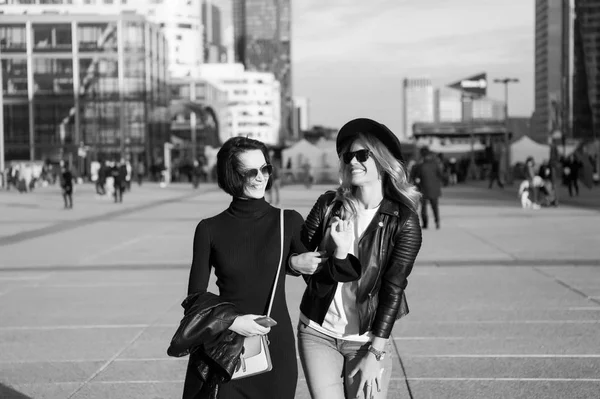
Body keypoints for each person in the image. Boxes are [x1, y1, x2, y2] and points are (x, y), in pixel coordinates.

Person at [183, 136, 353, 399]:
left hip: (276, 351)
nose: (261, 177)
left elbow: (322, 284)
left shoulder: (288, 221)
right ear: (231, 175)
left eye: (265, 169)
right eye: (251, 171)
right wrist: (235, 322)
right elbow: (194, 297)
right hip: (226, 350)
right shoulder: (208, 229)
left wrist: (337, 252)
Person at [290, 118, 423, 399]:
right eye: (348, 156)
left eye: (362, 155)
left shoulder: (403, 221)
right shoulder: (329, 205)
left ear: (383, 161)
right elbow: (298, 254)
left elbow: (394, 287)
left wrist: (376, 351)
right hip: (317, 332)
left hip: (367, 340)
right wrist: (296, 263)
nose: (353, 161)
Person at [412, 146, 444, 229]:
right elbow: (441, 175)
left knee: (424, 208)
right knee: (435, 207)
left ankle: (425, 224)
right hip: (434, 189)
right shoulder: (435, 164)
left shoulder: (420, 166)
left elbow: (415, 177)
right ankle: (437, 223)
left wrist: (417, 185)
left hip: (423, 189)